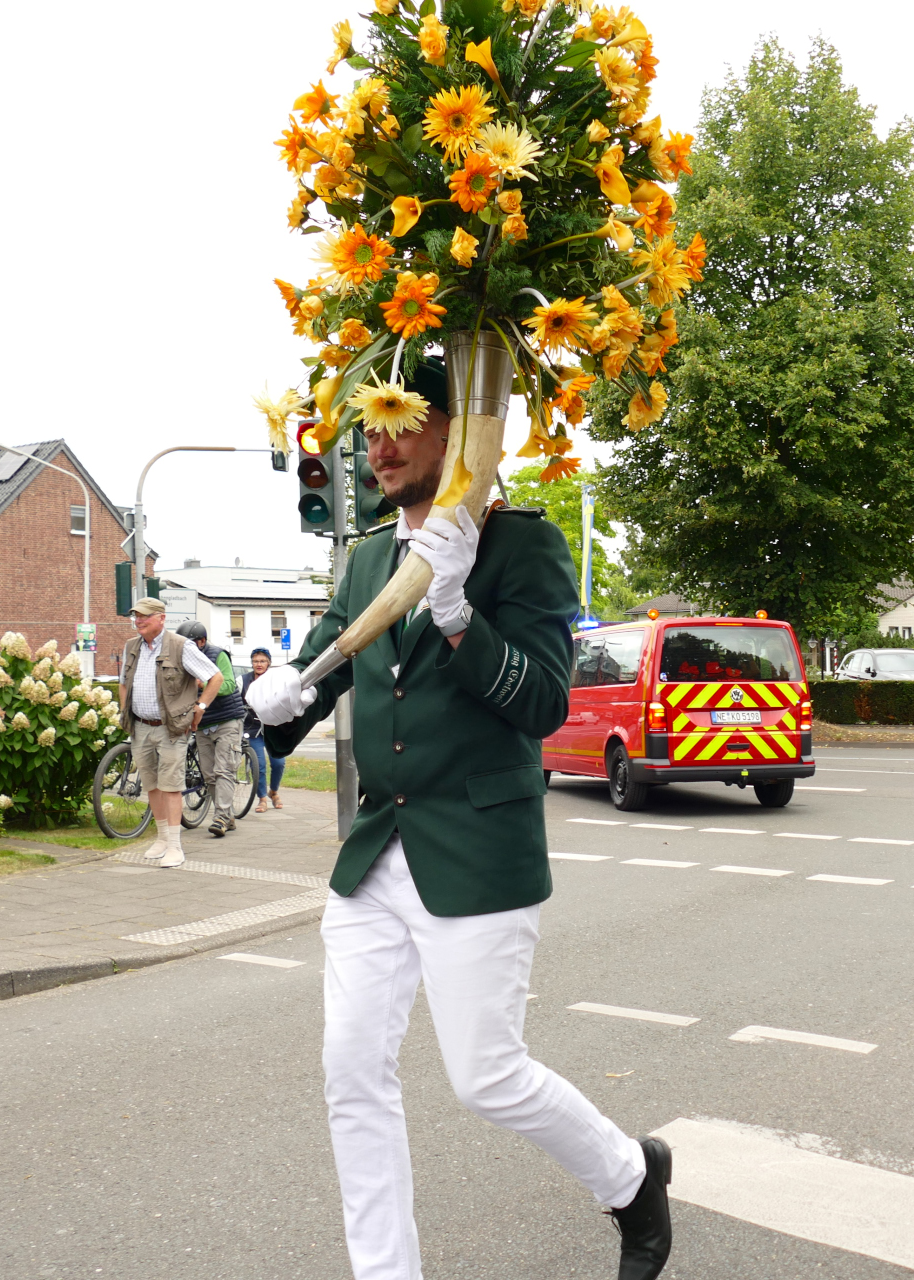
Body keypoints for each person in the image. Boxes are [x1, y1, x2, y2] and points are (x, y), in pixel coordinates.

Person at [248, 360, 672, 1280]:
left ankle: (632, 1177)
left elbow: (545, 707)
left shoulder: (522, 546)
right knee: (351, 1072)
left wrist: (456, 616)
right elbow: (325, 664)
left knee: (486, 1078)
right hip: (375, 855)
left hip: (477, 851)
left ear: (461, 430)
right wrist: (275, 703)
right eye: (369, 425)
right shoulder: (367, 557)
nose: (379, 443)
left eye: (400, 419)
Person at [117, 597, 223, 868]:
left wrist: (201, 706)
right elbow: (124, 683)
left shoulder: (180, 646)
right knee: (152, 785)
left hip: (171, 729)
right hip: (141, 726)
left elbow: (215, 677)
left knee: (171, 786)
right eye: (136, 616)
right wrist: (124, 711)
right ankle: (162, 839)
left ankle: (175, 847)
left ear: (161, 618)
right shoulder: (131, 646)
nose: (139, 621)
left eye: (145, 616)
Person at [177, 619, 247, 837]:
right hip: (202, 724)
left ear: (202, 641)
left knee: (223, 770)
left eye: (190, 644)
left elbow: (228, 685)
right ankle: (227, 817)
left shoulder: (217, 655)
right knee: (209, 775)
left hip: (227, 720)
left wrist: (202, 684)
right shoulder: (182, 659)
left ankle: (221, 817)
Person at [240, 646, 286, 812]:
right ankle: (262, 799)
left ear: (269, 663)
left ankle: (274, 791)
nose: (258, 664)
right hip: (253, 730)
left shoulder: (276, 680)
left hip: (274, 728)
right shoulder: (243, 681)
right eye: (255, 661)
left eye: (262, 661)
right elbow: (236, 701)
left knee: (279, 763)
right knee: (258, 764)